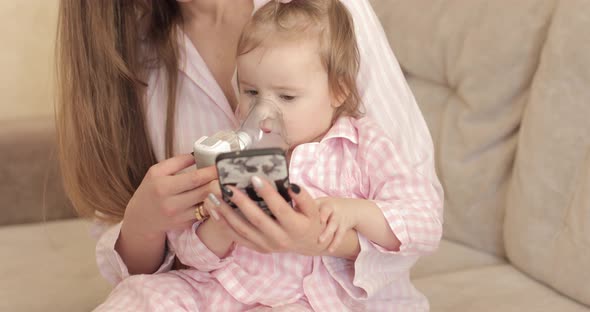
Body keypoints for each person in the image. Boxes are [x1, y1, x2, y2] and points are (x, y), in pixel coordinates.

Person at [56, 0, 442, 311]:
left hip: (315, 297)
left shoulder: (360, 145)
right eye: (250, 93)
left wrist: (340, 225)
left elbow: (423, 217)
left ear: (339, 90)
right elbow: (188, 253)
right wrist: (217, 226)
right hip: (222, 292)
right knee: (140, 297)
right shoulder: (222, 149)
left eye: (287, 97)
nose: (263, 113)